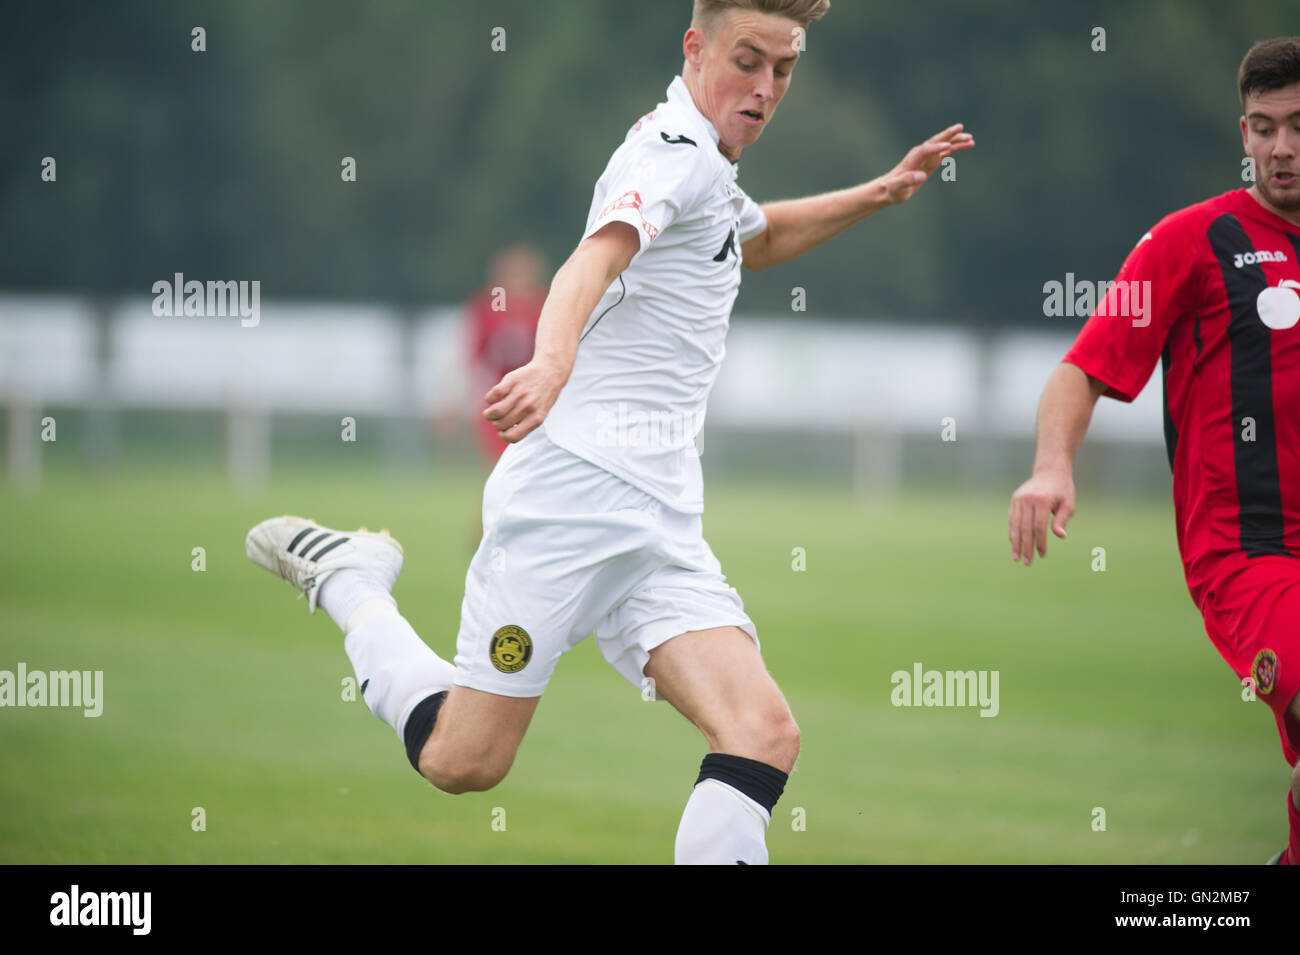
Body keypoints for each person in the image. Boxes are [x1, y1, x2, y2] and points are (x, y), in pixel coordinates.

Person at [247, 0, 972, 864]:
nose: (767, 87)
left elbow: (758, 236)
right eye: (749, 61)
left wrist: (879, 192)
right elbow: (590, 259)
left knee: (761, 731)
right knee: (462, 761)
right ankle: (353, 584)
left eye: (784, 69)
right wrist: (552, 361)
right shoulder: (667, 153)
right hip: (571, 501)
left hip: (662, 522)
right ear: (695, 49)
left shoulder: (708, 165)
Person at [1008, 36, 1300, 865]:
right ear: (1242, 133)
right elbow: (1082, 369)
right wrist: (1051, 466)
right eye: (1263, 128)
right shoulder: (1192, 242)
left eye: (1298, 126)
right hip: (1251, 557)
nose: (1280, 148)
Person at [465, 244, 547, 466]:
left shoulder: (545, 306)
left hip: (536, 399)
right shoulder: (487, 308)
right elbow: (474, 358)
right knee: (505, 466)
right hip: (499, 400)